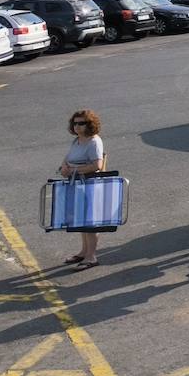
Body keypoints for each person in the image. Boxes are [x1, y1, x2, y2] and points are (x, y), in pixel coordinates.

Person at [60, 109, 107, 270]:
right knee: (81, 219)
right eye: (75, 123)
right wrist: (64, 167)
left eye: (81, 123)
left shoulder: (94, 141)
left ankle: (91, 257)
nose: (77, 127)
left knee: (90, 221)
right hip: (77, 184)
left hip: (89, 184)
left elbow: (97, 165)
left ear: (90, 124)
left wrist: (73, 171)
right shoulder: (77, 141)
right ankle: (83, 252)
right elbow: (67, 159)